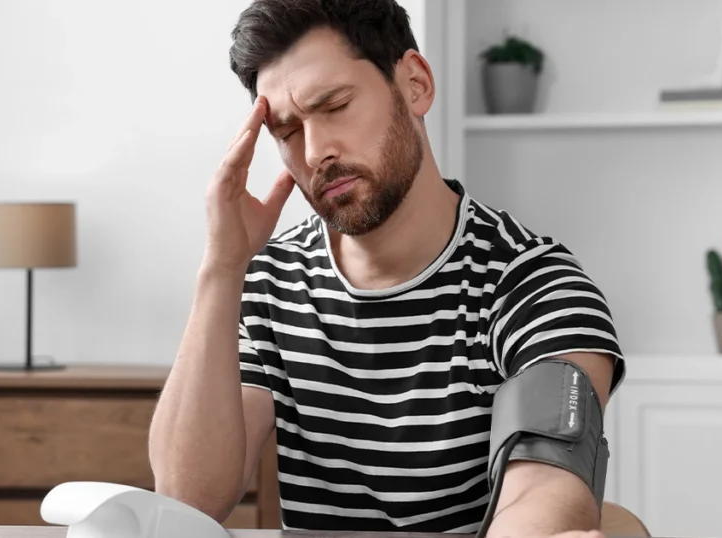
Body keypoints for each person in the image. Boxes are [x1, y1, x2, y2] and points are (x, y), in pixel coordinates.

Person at [148, 0, 626, 536]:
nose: (315, 151)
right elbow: (190, 499)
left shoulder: (534, 287)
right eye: (286, 131)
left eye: (335, 105)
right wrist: (221, 267)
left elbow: (547, 497)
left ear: (416, 84)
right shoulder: (268, 281)